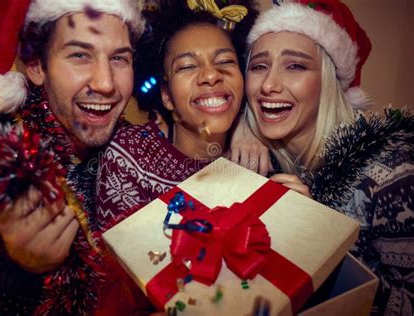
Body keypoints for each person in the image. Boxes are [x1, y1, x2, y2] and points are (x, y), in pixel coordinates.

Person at [0, 0, 150, 314]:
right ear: (37, 65)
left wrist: (246, 126)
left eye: (119, 58)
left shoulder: (128, 144)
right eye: (80, 55)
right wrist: (16, 269)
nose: (106, 84)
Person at [243, 0, 413, 314]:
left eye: (295, 65)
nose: (268, 84)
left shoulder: (390, 174)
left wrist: (319, 240)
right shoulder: (266, 164)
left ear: (328, 81)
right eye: (258, 66)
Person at [95, 0, 259, 230]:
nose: (211, 75)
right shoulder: (132, 156)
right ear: (167, 97)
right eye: (187, 66)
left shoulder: (258, 152)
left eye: (225, 61)